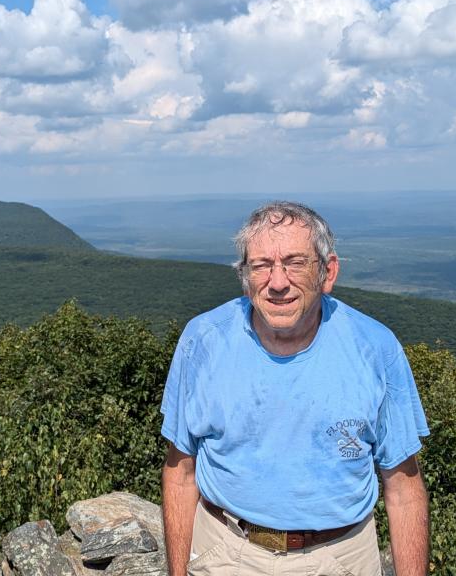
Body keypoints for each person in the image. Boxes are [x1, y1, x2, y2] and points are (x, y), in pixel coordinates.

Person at [160, 201, 430, 576]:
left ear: (328, 272)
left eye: (295, 262)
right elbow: (180, 472)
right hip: (226, 552)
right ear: (244, 275)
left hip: (341, 557)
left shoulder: (376, 349)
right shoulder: (202, 342)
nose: (278, 282)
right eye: (261, 265)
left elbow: (403, 489)